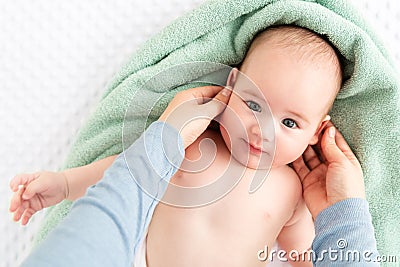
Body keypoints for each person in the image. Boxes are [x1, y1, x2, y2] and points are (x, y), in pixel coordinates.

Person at [10, 25, 379, 266]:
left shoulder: (295, 193)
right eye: (253, 104)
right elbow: (126, 175)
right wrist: (63, 185)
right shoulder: (193, 141)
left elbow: (303, 256)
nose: (261, 130)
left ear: (317, 133)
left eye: (289, 123)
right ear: (232, 85)